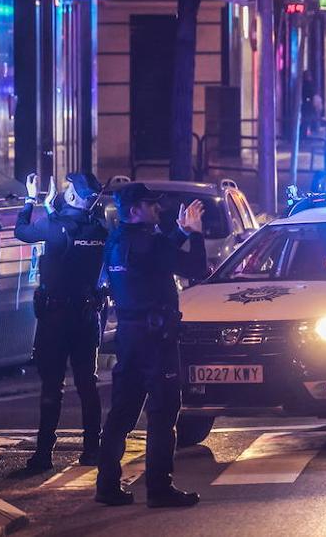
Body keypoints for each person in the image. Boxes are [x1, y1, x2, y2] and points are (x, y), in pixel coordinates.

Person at [95, 184, 207, 508]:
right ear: (134, 210)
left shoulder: (115, 241)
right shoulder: (152, 243)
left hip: (128, 337)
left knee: (122, 413)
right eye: (150, 204)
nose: (158, 209)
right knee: (163, 413)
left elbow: (154, 258)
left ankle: (106, 486)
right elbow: (195, 268)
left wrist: (180, 231)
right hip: (157, 339)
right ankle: (159, 488)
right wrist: (195, 233)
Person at [14, 172, 108, 472]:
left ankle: (44, 454)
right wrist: (52, 209)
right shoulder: (99, 230)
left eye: (68, 188)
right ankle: (92, 448)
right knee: (87, 384)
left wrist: (31, 200)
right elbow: (71, 232)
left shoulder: (56, 226)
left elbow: (22, 231)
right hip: (86, 317)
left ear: (71, 196)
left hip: (56, 319)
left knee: (52, 387)